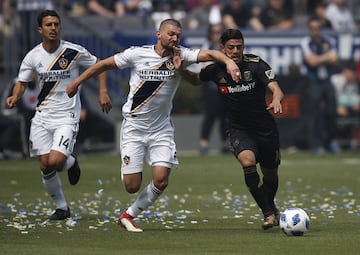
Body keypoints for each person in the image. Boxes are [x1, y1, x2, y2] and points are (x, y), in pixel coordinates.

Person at [66, 18, 240, 232]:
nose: (175, 38)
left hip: (161, 130)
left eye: (178, 35)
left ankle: (128, 215)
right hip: (134, 128)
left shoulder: (182, 55)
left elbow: (212, 54)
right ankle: (130, 187)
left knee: (161, 180)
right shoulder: (137, 54)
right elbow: (103, 64)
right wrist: (78, 83)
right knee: (132, 186)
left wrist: (229, 62)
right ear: (159, 34)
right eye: (171, 34)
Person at [6, 10, 112, 221]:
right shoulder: (33, 56)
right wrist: (14, 97)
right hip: (43, 116)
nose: (53, 28)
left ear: (60, 28)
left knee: (55, 161)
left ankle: (71, 162)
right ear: (40, 30)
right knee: (45, 165)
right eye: (48, 25)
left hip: (66, 116)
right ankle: (62, 208)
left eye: (56, 24)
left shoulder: (72, 51)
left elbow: (100, 65)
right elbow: (22, 81)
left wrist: (102, 92)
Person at [174, 28, 284, 230]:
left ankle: (271, 208)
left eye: (239, 47)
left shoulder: (255, 64)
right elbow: (195, 80)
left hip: (265, 128)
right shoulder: (215, 69)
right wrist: (181, 69)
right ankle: (268, 213)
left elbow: (276, 88)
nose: (235, 51)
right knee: (248, 162)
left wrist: (276, 98)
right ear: (222, 48)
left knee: (270, 176)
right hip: (238, 129)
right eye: (231, 47)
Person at [300, 17, 339, 155]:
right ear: (310, 30)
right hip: (313, 81)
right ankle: (315, 144)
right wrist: (326, 57)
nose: (316, 31)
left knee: (331, 112)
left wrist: (319, 58)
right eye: (313, 28)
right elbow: (311, 61)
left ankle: (330, 141)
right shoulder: (306, 42)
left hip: (327, 81)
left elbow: (335, 58)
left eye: (318, 28)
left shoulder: (329, 40)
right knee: (314, 114)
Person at [198, 23, 228, 155]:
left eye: (219, 32)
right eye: (214, 32)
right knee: (210, 116)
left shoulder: (225, 48)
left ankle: (225, 143)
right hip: (211, 87)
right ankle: (204, 143)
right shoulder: (207, 46)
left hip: (224, 86)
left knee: (225, 116)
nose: (216, 35)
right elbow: (205, 65)